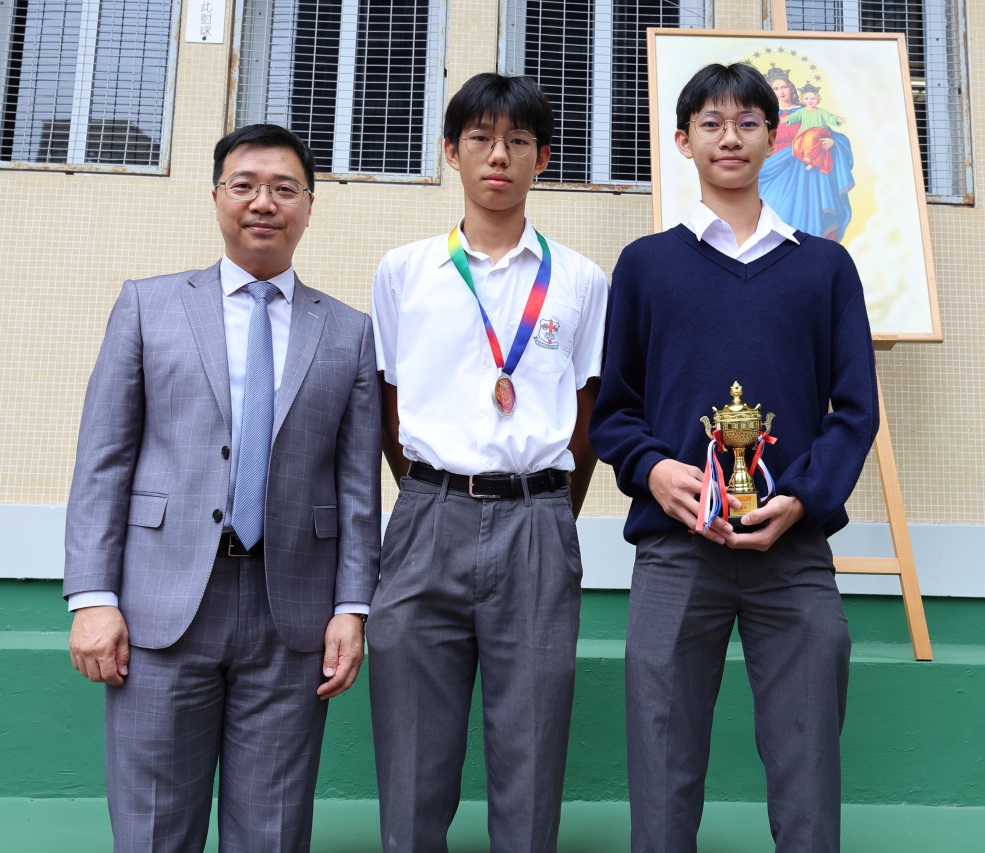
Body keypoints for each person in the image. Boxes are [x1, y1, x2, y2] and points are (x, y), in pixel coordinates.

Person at [64, 124, 381, 852]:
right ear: (216, 198)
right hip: (159, 605)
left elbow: (358, 487)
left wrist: (351, 607)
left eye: (284, 188)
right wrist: (92, 597)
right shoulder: (147, 306)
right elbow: (103, 461)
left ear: (309, 206)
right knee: (152, 826)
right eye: (244, 185)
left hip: (293, 612)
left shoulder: (349, 331)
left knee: (273, 829)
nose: (263, 202)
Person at [590, 62, 879, 853]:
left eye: (748, 122)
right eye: (711, 123)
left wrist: (805, 496)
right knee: (662, 759)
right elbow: (615, 410)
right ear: (683, 141)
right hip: (676, 550)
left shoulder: (824, 267)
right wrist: (655, 469)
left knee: (807, 761)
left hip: (794, 550)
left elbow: (855, 410)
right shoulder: (646, 265)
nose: (730, 137)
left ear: (772, 138)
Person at [367, 72, 608, 853]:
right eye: (480, 139)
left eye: (517, 141)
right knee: (411, 743)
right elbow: (389, 403)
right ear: (451, 152)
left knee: (531, 740)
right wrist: (433, 494)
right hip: (427, 516)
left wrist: (547, 507)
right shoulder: (404, 272)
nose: (498, 156)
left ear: (543, 158)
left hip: (538, 519)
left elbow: (588, 409)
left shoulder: (580, 280)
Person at [758, 70, 855, 241]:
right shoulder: (764, 115)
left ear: (791, 88)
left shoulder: (809, 111)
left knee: (809, 211)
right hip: (774, 168)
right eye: (775, 88)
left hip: (807, 172)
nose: (781, 92)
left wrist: (832, 142)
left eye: (784, 87)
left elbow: (829, 134)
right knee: (776, 211)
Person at [780, 84, 846, 172]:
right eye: (806, 99)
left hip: (819, 131)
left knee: (811, 137)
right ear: (802, 100)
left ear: (817, 99)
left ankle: (809, 156)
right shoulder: (801, 111)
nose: (810, 101)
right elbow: (794, 117)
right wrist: (786, 119)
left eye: (813, 99)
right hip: (804, 132)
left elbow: (830, 117)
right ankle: (812, 162)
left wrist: (837, 119)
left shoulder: (821, 111)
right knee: (797, 144)